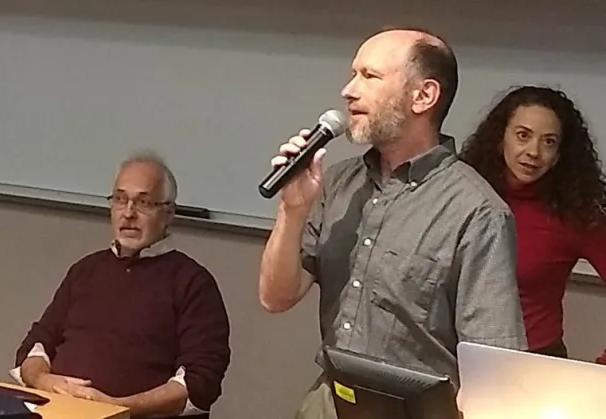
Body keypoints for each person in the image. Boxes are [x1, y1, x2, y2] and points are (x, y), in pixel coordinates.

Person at [257, 28, 527, 419]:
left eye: (369, 76)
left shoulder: (477, 211)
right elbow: (275, 297)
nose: (348, 90)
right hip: (330, 401)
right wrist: (293, 210)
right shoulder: (339, 182)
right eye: (353, 74)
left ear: (423, 96)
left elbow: (496, 369)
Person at [13, 151, 232, 419]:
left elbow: (201, 384)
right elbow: (34, 347)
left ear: (168, 214)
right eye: (120, 200)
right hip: (60, 411)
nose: (128, 213)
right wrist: (45, 382)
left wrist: (119, 407)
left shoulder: (193, 282)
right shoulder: (85, 270)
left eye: (144, 203)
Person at [458, 86, 606, 358]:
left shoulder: (576, 211)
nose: (534, 152)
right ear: (501, 138)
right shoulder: (463, 194)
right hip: (456, 355)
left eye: (548, 142)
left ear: (559, 154)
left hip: (534, 361)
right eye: (523, 136)